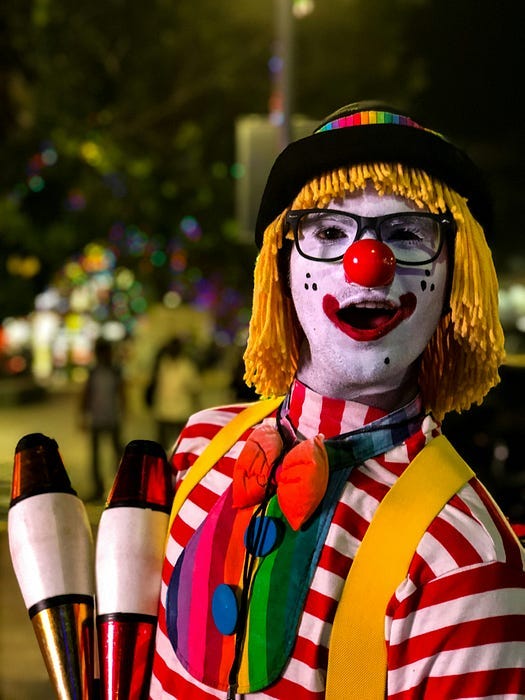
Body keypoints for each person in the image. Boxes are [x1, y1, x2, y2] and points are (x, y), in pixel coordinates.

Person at [147, 102, 525, 698]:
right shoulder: (198, 446)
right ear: (281, 264)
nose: (366, 264)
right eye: (327, 231)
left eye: (406, 232)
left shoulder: (462, 560)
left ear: (458, 274)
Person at [80, 337, 125, 500]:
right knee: (96, 456)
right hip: (97, 418)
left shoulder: (115, 371)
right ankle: (98, 488)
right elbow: (86, 394)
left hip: (112, 417)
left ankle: (120, 485)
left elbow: (121, 391)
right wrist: (83, 415)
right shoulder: (93, 372)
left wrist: (124, 411)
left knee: (119, 454)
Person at [145, 336, 201, 451]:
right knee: (162, 447)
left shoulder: (187, 366)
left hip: (181, 413)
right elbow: (154, 384)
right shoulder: (162, 364)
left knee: (181, 448)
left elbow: (195, 389)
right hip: (163, 412)